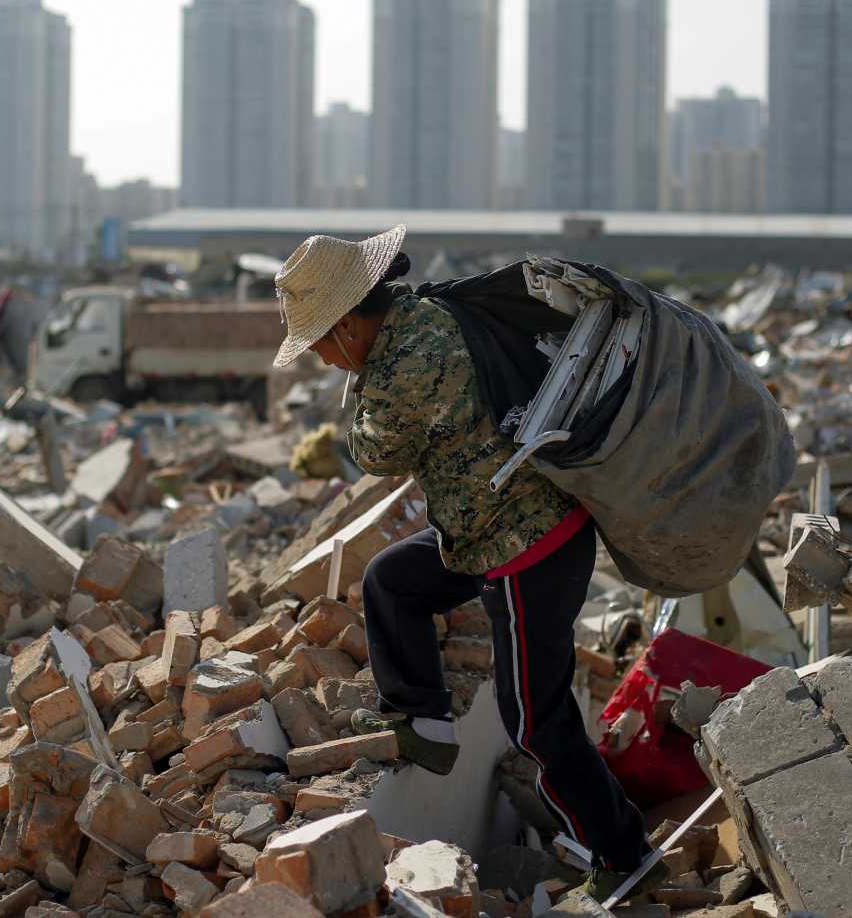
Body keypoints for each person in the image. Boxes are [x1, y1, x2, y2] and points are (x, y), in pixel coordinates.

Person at [272, 225, 661, 897]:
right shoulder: (421, 314)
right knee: (392, 581)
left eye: (322, 349)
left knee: (535, 720)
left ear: (345, 327)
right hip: (486, 525)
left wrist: (361, 392)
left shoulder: (404, 363)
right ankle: (423, 722)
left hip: (523, 547)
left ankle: (624, 851)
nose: (327, 365)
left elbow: (375, 454)